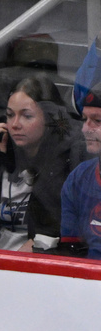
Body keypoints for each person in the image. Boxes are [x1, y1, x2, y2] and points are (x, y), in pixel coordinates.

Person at [0, 74, 85, 253]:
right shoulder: (0, 154)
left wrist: (32, 252)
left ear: (50, 120)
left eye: (27, 116)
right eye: (10, 115)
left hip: (34, 267)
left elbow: (60, 228)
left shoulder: (67, 162)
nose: (15, 124)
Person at [60, 85, 101, 258]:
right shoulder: (79, 178)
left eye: (97, 121)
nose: (85, 128)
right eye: (84, 119)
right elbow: (70, 250)